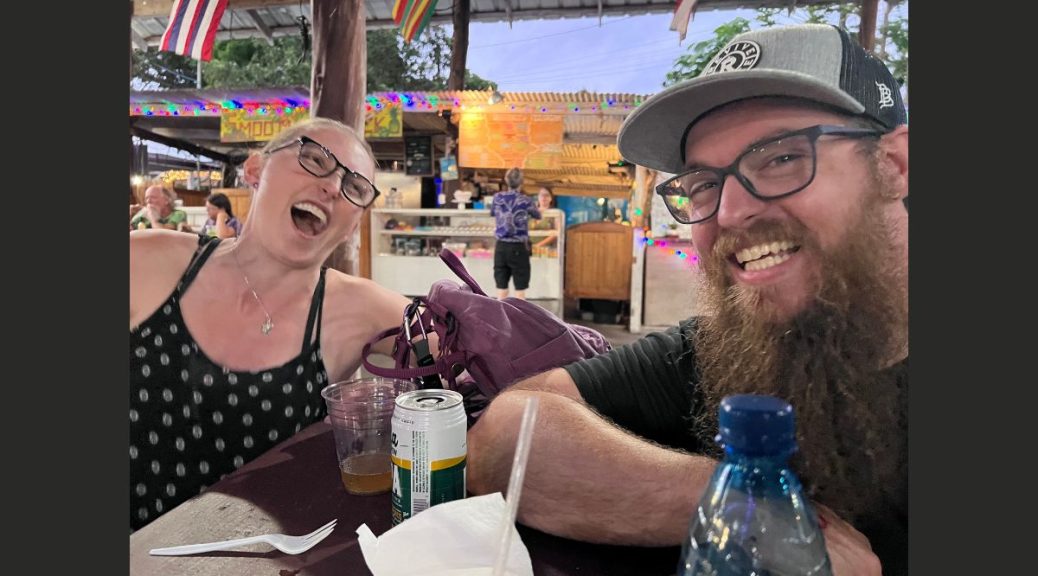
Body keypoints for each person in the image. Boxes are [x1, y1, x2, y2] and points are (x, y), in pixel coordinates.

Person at [468, 24, 907, 576]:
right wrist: (750, 506)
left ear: (894, 167)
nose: (728, 213)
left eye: (780, 158)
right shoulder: (727, 348)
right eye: (703, 183)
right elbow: (504, 437)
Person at [129, 117, 415, 531]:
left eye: (355, 188)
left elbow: (479, 355)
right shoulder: (149, 261)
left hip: (259, 559)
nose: (333, 186)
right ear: (255, 170)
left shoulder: (361, 308)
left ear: (354, 223)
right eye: (315, 158)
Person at [490, 167, 541, 300]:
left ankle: (501, 318)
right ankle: (518, 319)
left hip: (501, 247)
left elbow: (492, 213)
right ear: (521, 182)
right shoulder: (525, 200)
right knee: (520, 291)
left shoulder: (497, 198)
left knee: (501, 290)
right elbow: (538, 215)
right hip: (518, 247)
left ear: (506, 180)